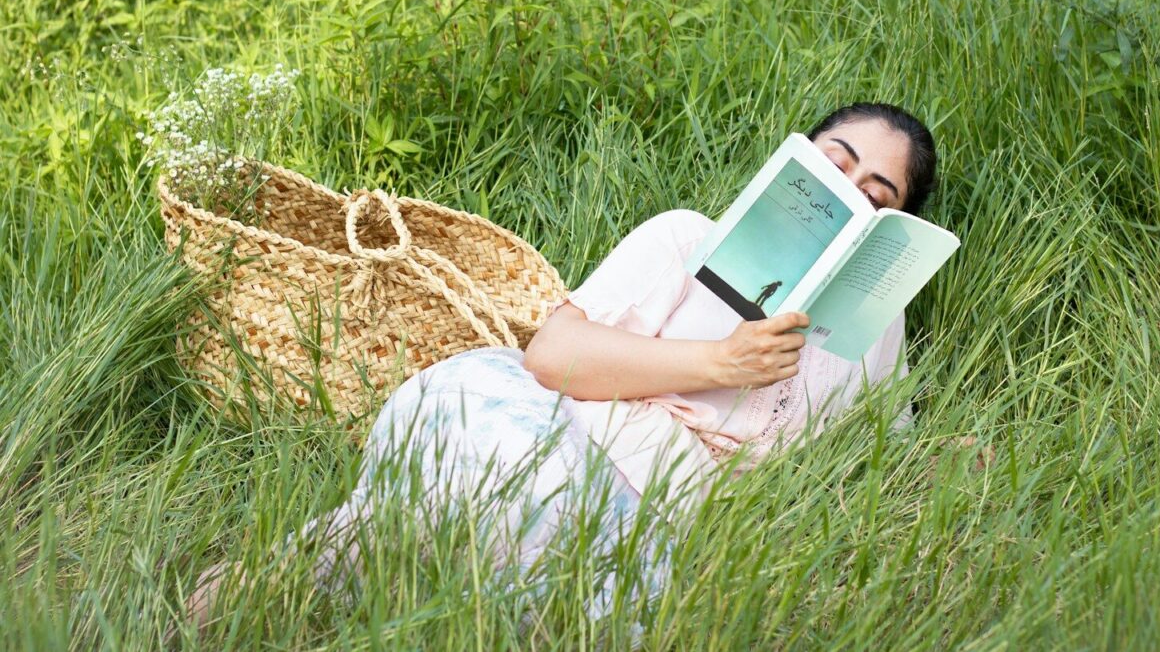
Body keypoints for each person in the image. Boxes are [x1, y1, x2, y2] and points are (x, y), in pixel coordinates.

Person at [182, 101, 940, 632]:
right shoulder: (686, 238)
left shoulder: (874, 323)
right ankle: (323, 566)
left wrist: (947, 460)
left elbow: (881, 455)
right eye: (835, 165)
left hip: (662, 518)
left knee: (592, 582)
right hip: (556, 428)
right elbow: (552, 354)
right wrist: (721, 360)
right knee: (496, 466)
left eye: (877, 192)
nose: (851, 188)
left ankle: (377, 574)